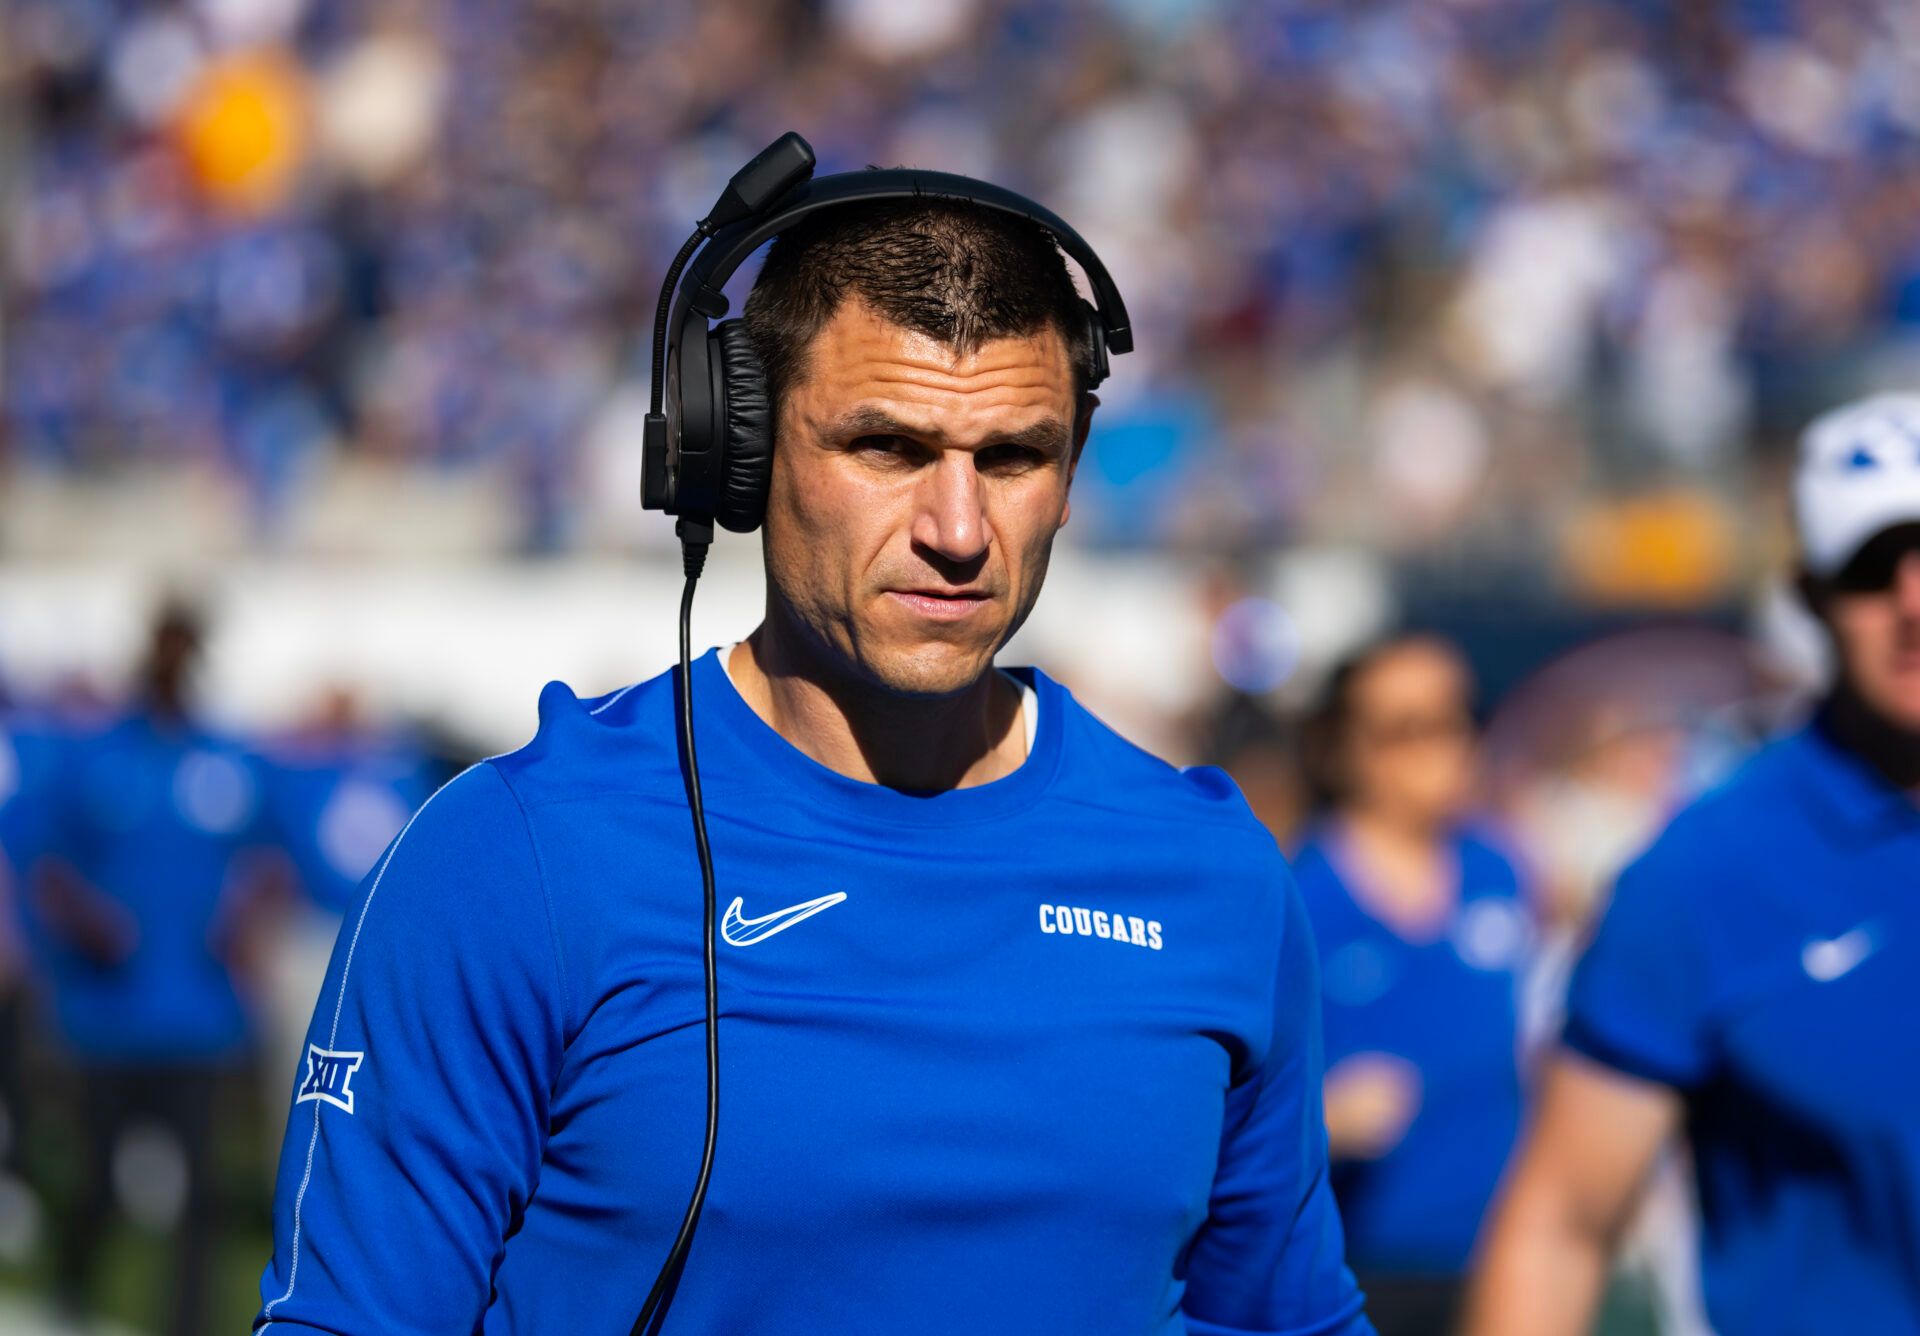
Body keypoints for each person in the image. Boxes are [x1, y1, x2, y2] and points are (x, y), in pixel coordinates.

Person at [255, 188, 1373, 1332]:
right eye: (887, 446)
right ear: (739, 450)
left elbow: (1290, 1320)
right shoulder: (516, 859)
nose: (957, 530)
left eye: (1013, 456)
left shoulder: (1211, 872)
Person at [1465, 392, 1920, 1335]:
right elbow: (1560, 1227)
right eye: (1874, 570)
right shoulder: (1706, 872)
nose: (1915, 604)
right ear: (1811, 599)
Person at [22, 603, 285, 1335]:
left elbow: (272, 855)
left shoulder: (229, 761)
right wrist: (87, 922)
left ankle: (188, 1322)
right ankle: (70, 1295)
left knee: (200, 1191)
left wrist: (247, 917)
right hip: (110, 1015)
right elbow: (46, 865)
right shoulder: (96, 758)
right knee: (96, 1184)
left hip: (200, 1014)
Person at [1289, 636, 1532, 1335]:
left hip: (1498, 1254)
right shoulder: (1298, 898)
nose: (1440, 749)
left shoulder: (1500, 870)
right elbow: (1227, 1104)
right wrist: (1323, 1117)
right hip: (1357, 1265)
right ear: (1341, 748)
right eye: (1406, 729)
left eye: (1457, 719)